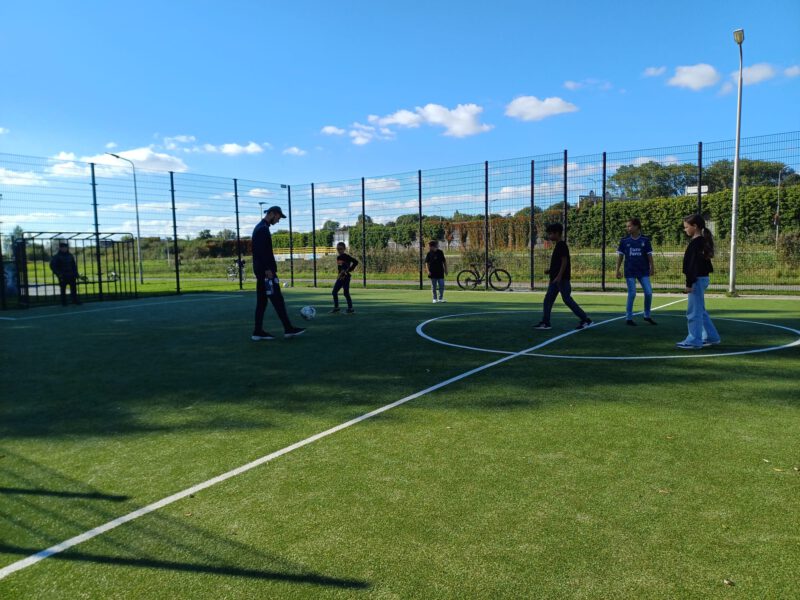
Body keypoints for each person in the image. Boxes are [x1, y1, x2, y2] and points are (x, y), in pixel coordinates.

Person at [251, 206, 305, 341]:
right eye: (278, 217)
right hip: (266, 273)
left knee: (262, 302)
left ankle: (257, 332)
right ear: (272, 214)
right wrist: (268, 269)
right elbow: (262, 252)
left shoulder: (261, 227)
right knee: (277, 300)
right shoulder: (262, 229)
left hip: (262, 272)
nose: (278, 220)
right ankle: (288, 329)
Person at [534, 223, 592, 331]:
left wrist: (559, 276)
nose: (549, 236)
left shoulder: (562, 245)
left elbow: (564, 262)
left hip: (561, 279)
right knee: (548, 300)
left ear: (557, 233)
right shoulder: (558, 245)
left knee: (567, 299)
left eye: (551, 234)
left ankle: (585, 319)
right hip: (555, 279)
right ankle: (546, 322)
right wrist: (550, 271)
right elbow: (558, 263)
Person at [677, 214, 720, 349]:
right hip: (701, 278)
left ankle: (694, 340)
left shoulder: (696, 243)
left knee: (693, 312)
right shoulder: (701, 241)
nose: (685, 230)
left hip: (697, 279)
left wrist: (689, 284)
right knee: (700, 310)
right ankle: (711, 337)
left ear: (695, 226)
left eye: (686, 227)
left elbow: (692, 266)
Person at [615, 217, 656, 326]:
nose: (627, 228)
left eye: (629, 226)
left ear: (637, 226)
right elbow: (620, 256)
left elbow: (649, 255)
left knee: (649, 292)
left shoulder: (645, 240)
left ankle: (647, 315)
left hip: (643, 271)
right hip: (630, 271)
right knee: (632, 293)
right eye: (627, 226)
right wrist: (617, 270)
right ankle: (628, 318)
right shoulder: (624, 241)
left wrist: (652, 267)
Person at [49, 242, 81, 306]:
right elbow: (53, 266)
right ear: (60, 248)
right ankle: (64, 302)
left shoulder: (70, 255)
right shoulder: (56, 256)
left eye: (65, 247)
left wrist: (76, 273)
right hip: (62, 275)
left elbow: (74, 265)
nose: (64, 249)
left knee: (73, 288)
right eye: (63, 247)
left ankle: (74, 300)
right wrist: (58, 274)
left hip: (71, 275)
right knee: (63, 289)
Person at [331, 242, 358, 313]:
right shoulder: (344, 256)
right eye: (338, 249)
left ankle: (339, 308)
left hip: (343, 277)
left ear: (344, 249)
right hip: (345, 276)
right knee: (344, 293)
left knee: (335, 292)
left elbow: (354, 262)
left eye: (340, 249)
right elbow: (355, 262)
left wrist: (347, 271)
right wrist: (350, 269)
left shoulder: (341, 257)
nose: (339, 250)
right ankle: (348, 308)